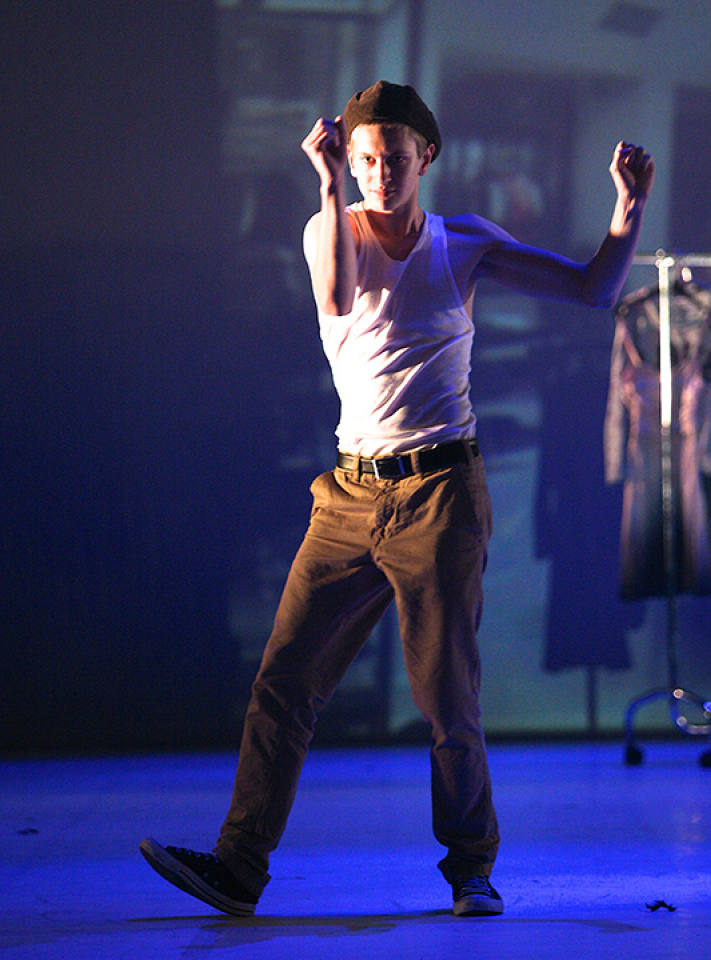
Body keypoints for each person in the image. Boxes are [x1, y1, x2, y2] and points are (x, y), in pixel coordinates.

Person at [140, 80, 654, 918]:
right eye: (366, 158)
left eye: (395, 159)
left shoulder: (464, 243)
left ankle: (470, 871)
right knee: (283, 683)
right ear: (349, 160)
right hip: (347, 496)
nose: (380, 173)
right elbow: (339, 299)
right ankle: (238, 869)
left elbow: (593, 290)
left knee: (447, 696)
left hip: (440, 493)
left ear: (426, 158)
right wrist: (325, 185)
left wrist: (627, 209)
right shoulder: (328, 228)